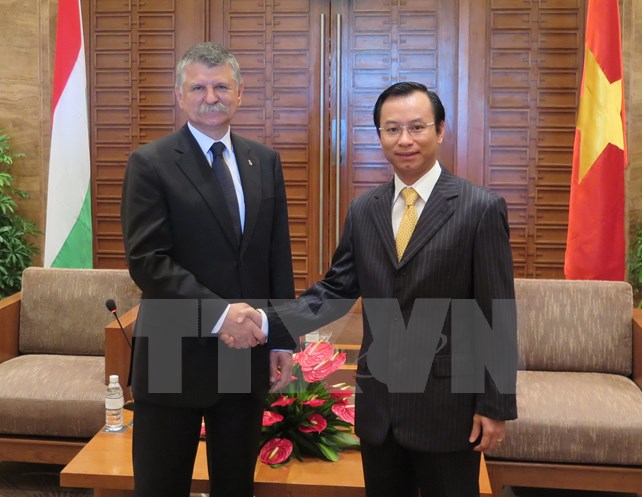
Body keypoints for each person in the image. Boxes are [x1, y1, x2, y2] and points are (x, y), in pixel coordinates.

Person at [265, 81, 517, 497]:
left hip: (448, 409)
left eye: (417, 127)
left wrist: (495, 405)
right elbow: (335, 291)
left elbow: (497, 314)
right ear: (379, 135)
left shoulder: (479, 208)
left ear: (440, 131)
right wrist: (267, 321)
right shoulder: (364, 210)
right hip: (380, 410)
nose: (405, 140)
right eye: (392, 129)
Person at [121, 42, 296, 497]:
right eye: (198, 87)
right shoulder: (150, 163)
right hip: (171, 351)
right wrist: (222, 316)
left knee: (236, 484)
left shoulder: (264, 161)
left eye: (221, 86)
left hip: (245, 351)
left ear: (240, 93)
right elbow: (148, 261)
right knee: (161, 485)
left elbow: (276, 254)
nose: (210, 97)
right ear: (180, 95)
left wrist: (280, 336)